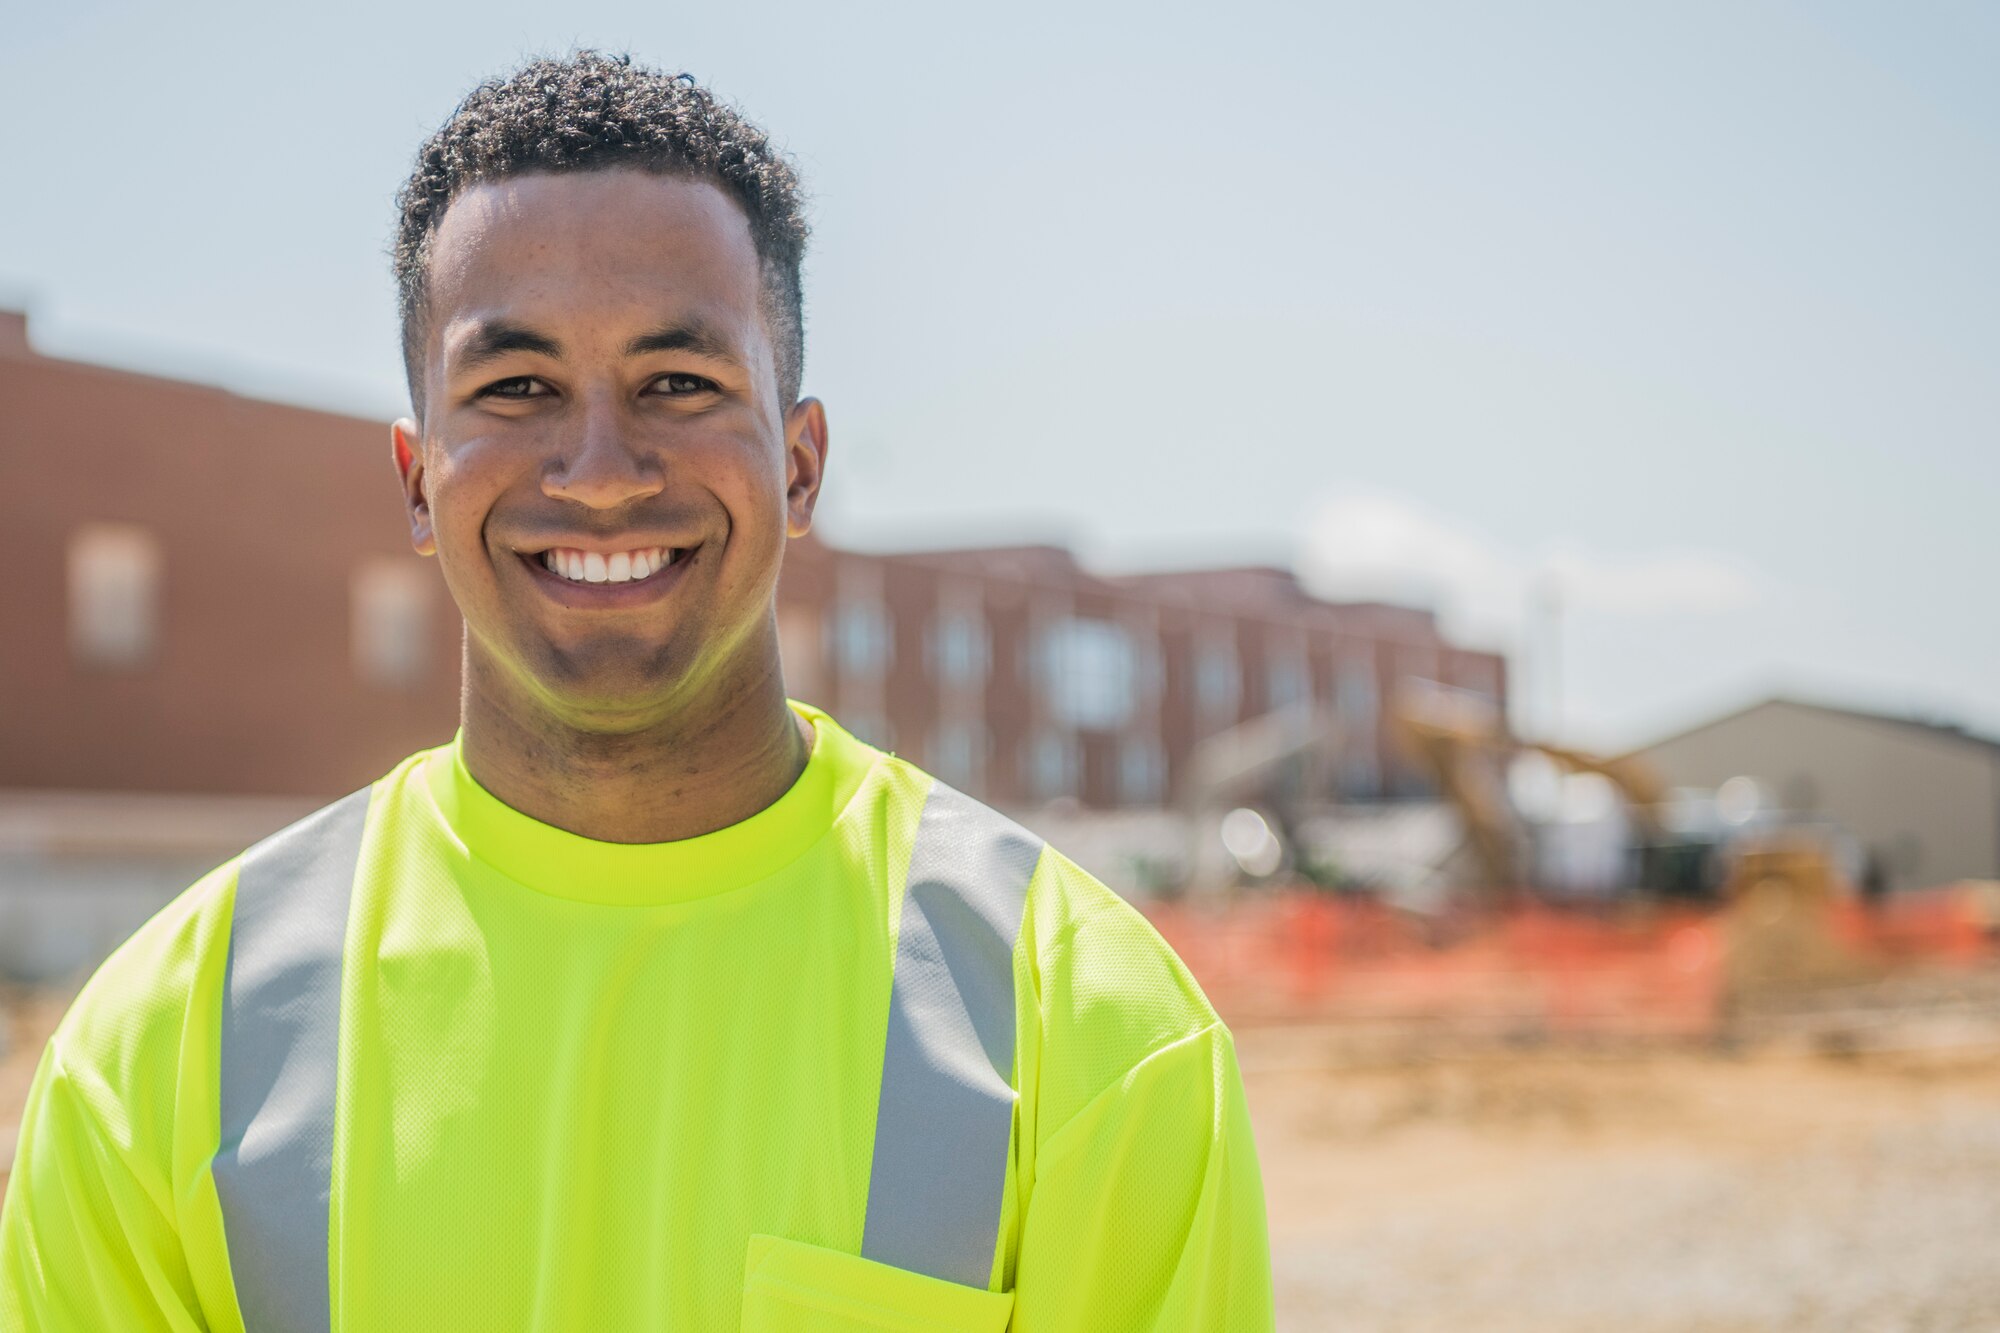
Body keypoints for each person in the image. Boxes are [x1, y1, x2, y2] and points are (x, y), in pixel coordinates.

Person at [0, 51, 1274, 1331]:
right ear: (414, 480)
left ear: (799, 461)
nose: (601, 474)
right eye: (514, 387)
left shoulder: (1088, 1029)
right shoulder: (155, 1065)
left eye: (678, 382)